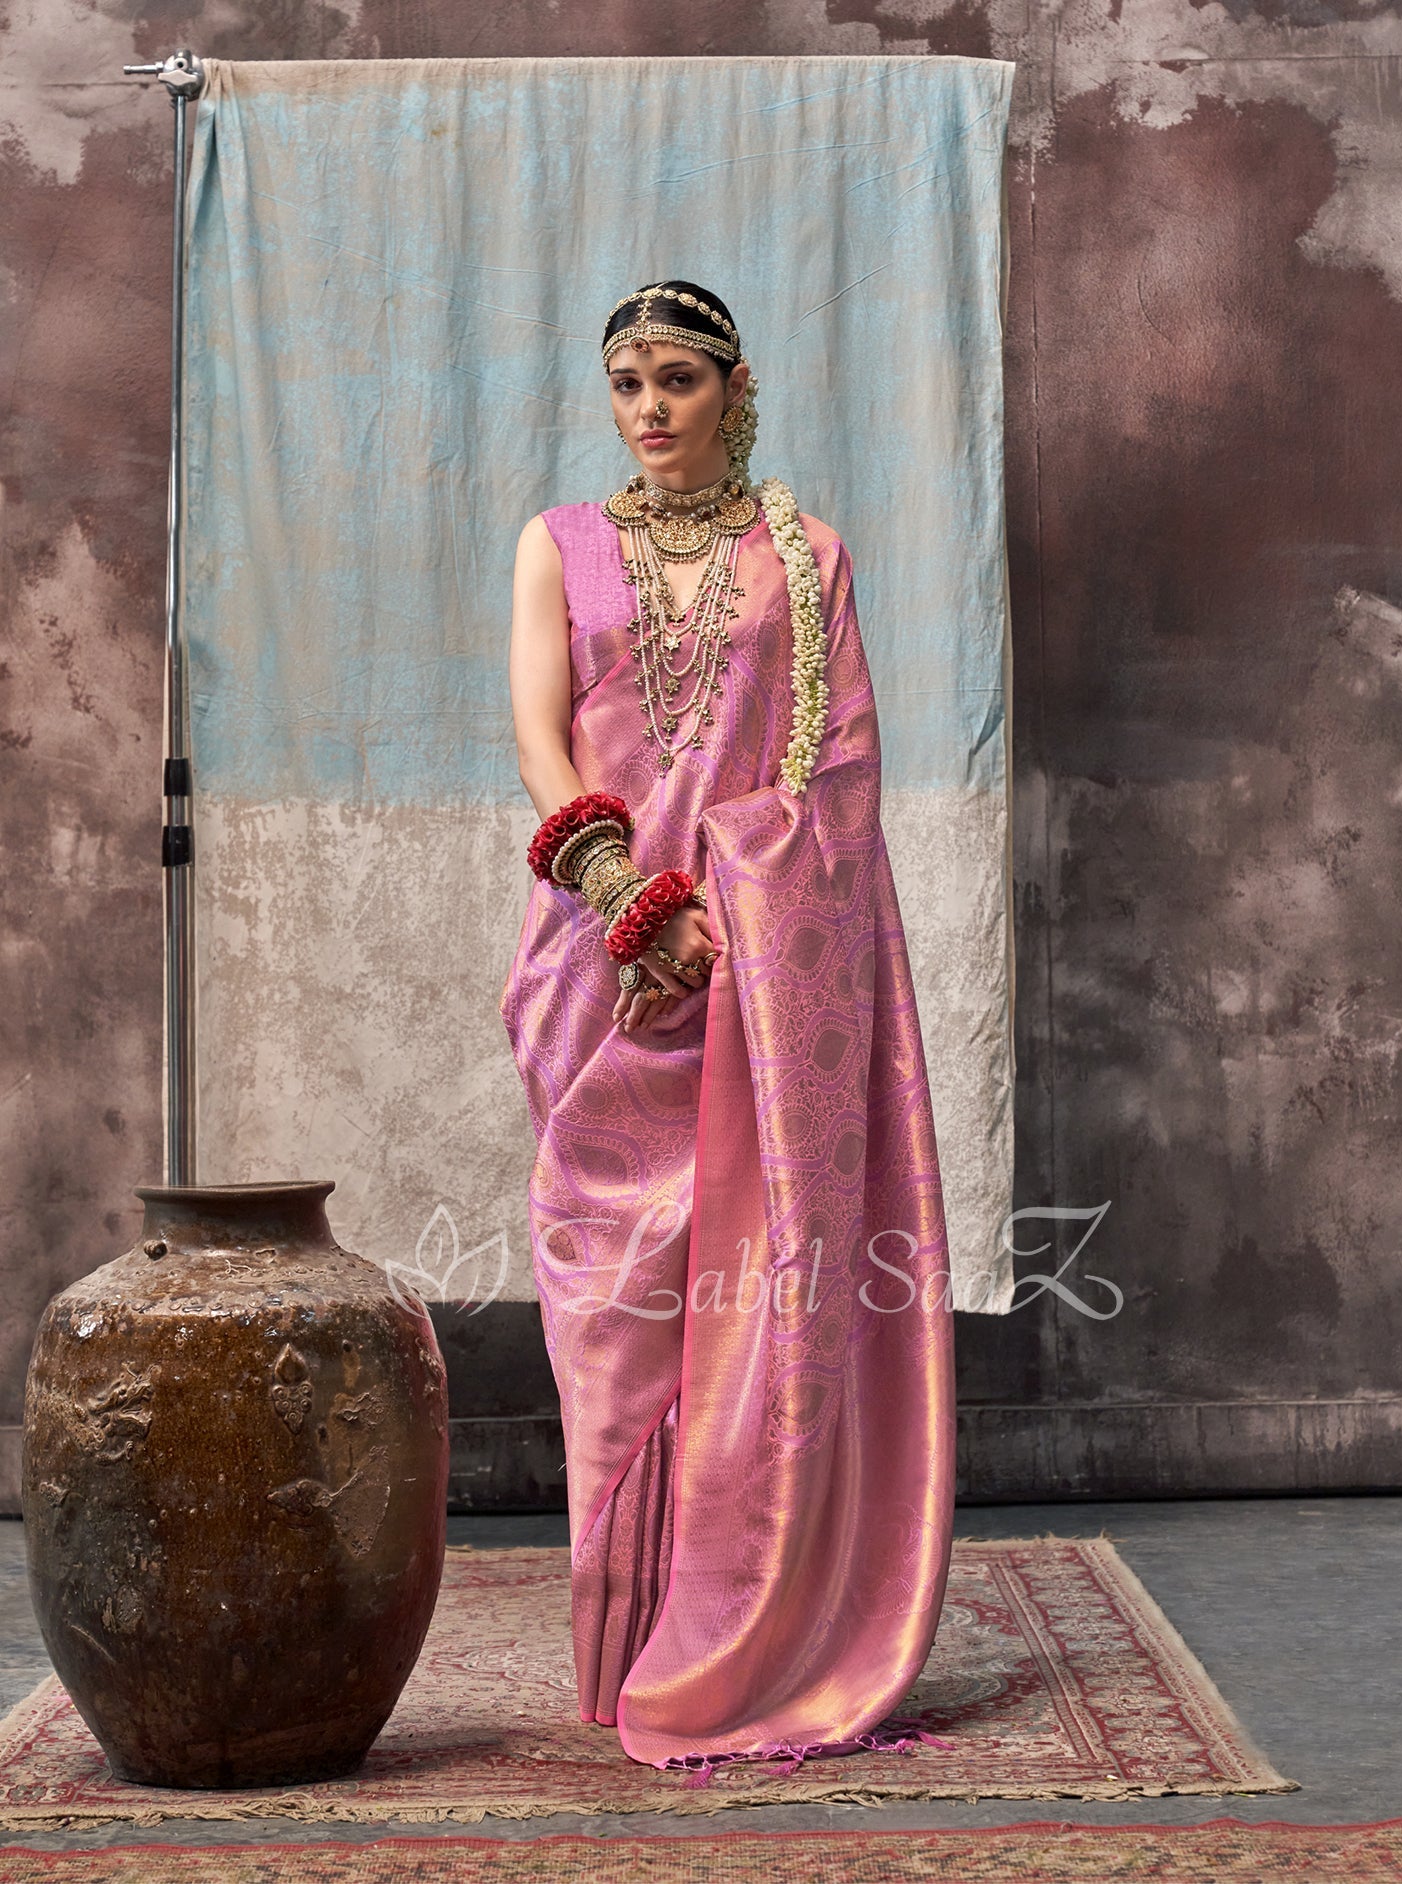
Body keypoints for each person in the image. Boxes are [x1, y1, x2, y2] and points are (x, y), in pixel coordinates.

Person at [500, 280, 955, 1776]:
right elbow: (541, 735)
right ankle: (624, 1642)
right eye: (627, 382)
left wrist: (729, 926)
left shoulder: (804, 556)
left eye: (678, 380)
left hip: (760, 975)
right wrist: (632, 905)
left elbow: (836, 778)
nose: (649, 409)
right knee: (616, 1319)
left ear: (734, 388)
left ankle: (742, 1628)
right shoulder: (559, 543)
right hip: (601, 955)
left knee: (756, 1299)